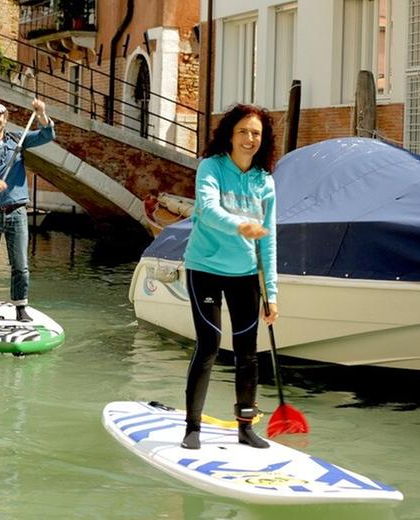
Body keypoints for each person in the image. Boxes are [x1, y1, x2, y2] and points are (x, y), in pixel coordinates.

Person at [180, 103, 279, 450]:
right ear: (230, 135)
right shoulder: (211, 167)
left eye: (256, 133)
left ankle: (245, 427)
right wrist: (241, 225)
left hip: (245, 274)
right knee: (208, 345)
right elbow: (207, 210)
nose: (249, 139)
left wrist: (272, 294)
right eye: (243, 132)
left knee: (247, 351)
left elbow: (269, 242)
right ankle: (192, 427)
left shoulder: (265, 182)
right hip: (205, 268)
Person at [0, 99, 54, 323]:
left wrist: (41, 114)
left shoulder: (18, 139)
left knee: (20, 265)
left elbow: (47, 135)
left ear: (5, 118)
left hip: (17, 211)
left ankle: (20, 308)